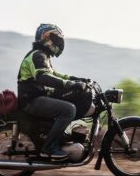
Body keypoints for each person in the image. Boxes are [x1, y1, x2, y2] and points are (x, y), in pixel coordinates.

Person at [17, 24, 90, 159]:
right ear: (46, 37)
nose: (59, 42)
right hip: (32, 100)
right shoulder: (37, 55)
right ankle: (49, 148)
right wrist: (71, 85)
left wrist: (76, 79)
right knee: (69, 109)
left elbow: (55, 74)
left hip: (37, 98)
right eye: (56, 38)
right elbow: (43, 77)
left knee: (66, 104)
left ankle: (59, 139)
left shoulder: (43, 56)